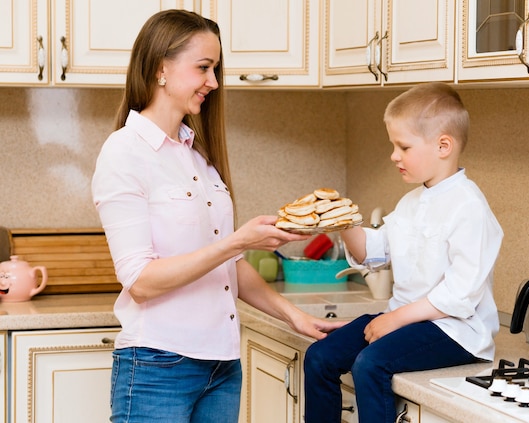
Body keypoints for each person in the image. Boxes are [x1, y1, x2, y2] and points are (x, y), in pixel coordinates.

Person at [91, 9, 344, 423]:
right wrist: (237, 241)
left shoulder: (197, 155)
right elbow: (140, 282)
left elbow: (228, 264)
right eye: (204, 67)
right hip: (158, 365)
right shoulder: (124, 152)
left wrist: (293, 315)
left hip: (223, 365)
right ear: (160, 70)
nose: (214, 81)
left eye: (216, 68)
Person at [303, 82, 504, 423]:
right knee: (320, 357)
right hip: (406, 322)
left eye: (403, 146)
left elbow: (459, 295)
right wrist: (342, 221)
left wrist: (394, 319)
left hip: (456, 332)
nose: (394, 155)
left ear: (443, 146)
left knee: (371, 364)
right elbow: (373, 253)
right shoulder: (411, 202)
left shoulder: (469, 207)